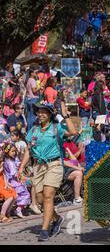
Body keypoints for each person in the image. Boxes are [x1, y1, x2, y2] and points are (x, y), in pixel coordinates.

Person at [18, 102, 78, 242]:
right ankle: (56, 218)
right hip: (38, 166)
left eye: (44, 111)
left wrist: (66, 116)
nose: (40, 113)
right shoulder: (34, 130)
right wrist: (21, 167)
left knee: (48, 195)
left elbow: (74, 132)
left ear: (50, 114)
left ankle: (44, 229)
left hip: (54, 164)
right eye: (38, 111)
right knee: (40, 200)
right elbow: (28, 150)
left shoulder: (57, 128)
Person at [2, 143, 31, 218]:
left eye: (15, 151)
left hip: (16, 180)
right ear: (7, 152)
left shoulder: (13, 159)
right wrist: (23, 177)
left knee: (22, 195)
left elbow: (18, 164)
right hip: (12, 181)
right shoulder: (8, 161)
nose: (14, 153)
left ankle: (17, 209)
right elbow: (14, 173)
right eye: (12, 151)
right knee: (24, 194)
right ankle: (17, 210)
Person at [63, 139, 85, 205]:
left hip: (68, 168)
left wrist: (79, 167)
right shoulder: (58, 146)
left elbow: (74, 160)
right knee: (78, 173)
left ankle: (83, 195)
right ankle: (77, 199)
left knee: (82, 171)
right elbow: (63, 162)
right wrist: (78, 167)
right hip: (59, 170)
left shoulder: (66, 145)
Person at [0, 156, 16, 223]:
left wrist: (6, 184)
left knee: (15, 194)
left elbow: (4, 175)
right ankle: (2, 215)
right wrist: (0, 168)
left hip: (2, 183)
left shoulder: (2, 163)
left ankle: (7, 212)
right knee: (9, 196)